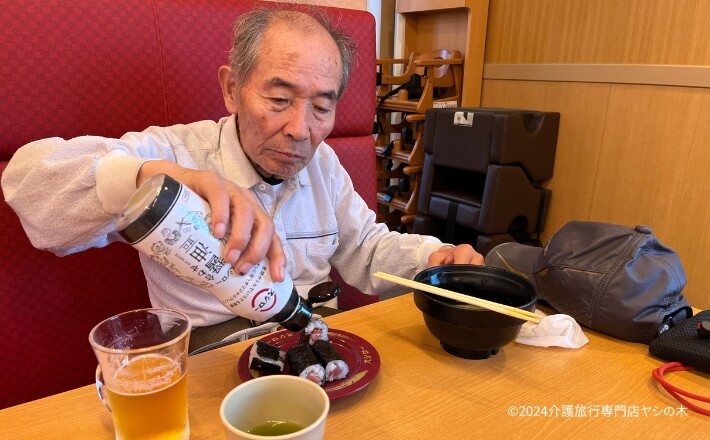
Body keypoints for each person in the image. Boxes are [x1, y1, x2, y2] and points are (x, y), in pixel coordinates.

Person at [1, 6, 482, 351]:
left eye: (322, 106)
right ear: (232, 89)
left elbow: (366, 250)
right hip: (212, 351)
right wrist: (156, 177)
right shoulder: (176, 151)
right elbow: (28, 182)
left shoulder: (324, 164)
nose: (300, 129)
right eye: (278, 99)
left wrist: (433, 259)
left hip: (316, 336)